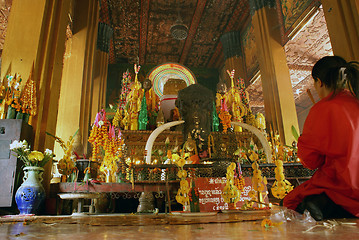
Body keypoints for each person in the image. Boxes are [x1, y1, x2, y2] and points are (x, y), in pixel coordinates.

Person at [283, 56, 359, 221]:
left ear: (320, 82)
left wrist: (303, 141)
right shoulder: (356, 102)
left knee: (291, 203)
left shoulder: (324, 108)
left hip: (342, 189)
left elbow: (310, 161)